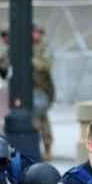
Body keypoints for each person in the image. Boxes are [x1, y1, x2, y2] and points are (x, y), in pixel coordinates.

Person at [31, 23, 56, 160]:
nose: (36, 35)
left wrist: (31, 60)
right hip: (30, 89)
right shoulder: (27, 46)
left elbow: (46, 65)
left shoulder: (44, 47)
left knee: (40, 118)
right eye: (34, 32)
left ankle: (46, 148)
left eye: (38, 32)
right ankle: (41, 148)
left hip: (42, 89)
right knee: (39, 119)